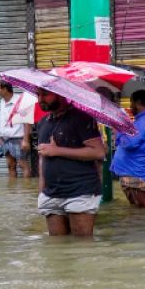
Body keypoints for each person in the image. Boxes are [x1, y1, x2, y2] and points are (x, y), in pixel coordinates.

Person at [34, 88, 106, 236]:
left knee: (82, 247)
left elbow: (98, 152)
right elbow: (43, 157)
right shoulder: (42, 123)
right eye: (38, 94)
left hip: (80, 191)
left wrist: (58, 150)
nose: (40, 99)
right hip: (51, 193)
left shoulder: (81, 118)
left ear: (60, 94)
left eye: (46, 94)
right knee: (58, 247)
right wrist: (41, 191)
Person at [110, 90, 145, 208]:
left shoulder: (144, 121)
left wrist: (117, 132)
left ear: (138, 102)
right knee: (139, 212)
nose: (130, 106)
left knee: (142, 211)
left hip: (137, 173)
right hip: (138, 172)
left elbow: (129, 143)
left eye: (131, 102)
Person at [0, 80, 33, 178]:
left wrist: (26, 140)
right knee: (10, 165)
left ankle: (26, 190)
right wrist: (0, 137)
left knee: (22, 164)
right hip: (5, 139)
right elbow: (2, 120)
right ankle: (12, 191)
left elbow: (27, 121)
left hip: (18, 138)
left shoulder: (20, 101)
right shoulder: (2, 101)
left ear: (4, 89)